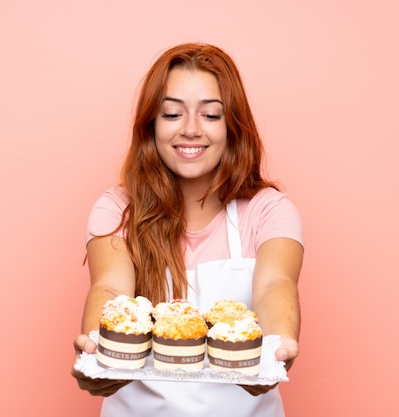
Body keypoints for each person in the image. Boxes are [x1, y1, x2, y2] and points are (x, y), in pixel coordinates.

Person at [71, 42, 304, 417]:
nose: (191, 130)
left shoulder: (269, 210)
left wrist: (277, 348)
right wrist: (97, 350)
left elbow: (275, 283)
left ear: (233, 126)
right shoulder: (117, 209)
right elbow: (110, 289)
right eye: (172, 113)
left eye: (211, 115)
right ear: (151, 123)